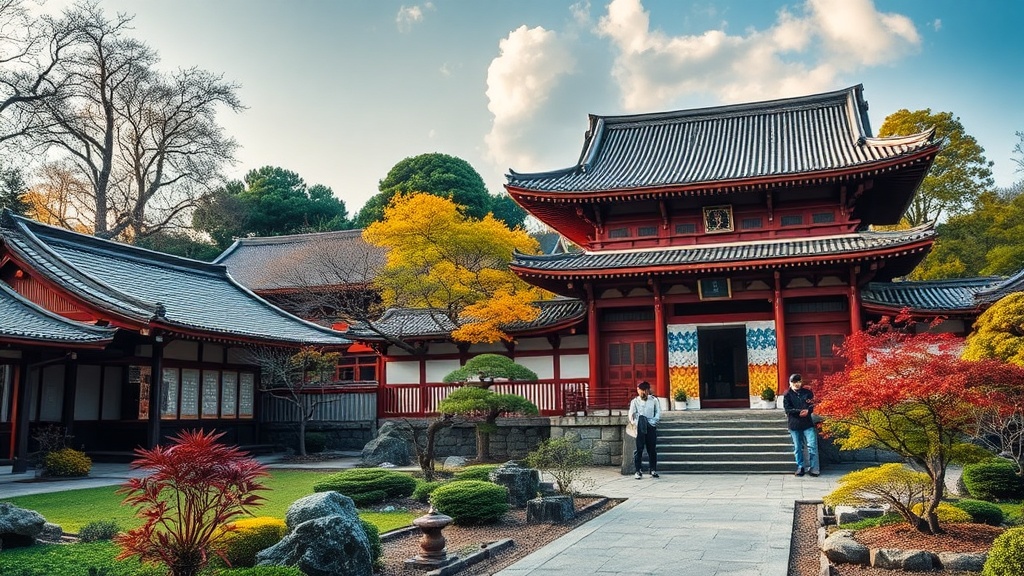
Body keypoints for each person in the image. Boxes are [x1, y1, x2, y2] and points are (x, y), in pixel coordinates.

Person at [782, 373, 819, 477]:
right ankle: (800, 467)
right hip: (794, 423)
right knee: (798, 447)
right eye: (794, 382)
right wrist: (799, 411)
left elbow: (812, 404)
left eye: (798, 382)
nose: (797, 384)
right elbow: (787, 409)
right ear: (790, 383)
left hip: (807, 423)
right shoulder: (787, 394)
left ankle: (813, 467)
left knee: (811, 445)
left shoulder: (807, 393)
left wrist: (808, 410)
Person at [628, 380, 661, 479]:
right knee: (639, 449)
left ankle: (653, 469)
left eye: (644, 390)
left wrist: (653, 422)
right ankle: (638, 470)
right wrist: (634, 423)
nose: (642, 393)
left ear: (648, 390)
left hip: (651, 425)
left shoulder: (654, 400)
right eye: (640, 390)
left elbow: (658, 412)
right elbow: (631, 414)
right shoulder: (635, 401)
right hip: (640, 426)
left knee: (652, 449)